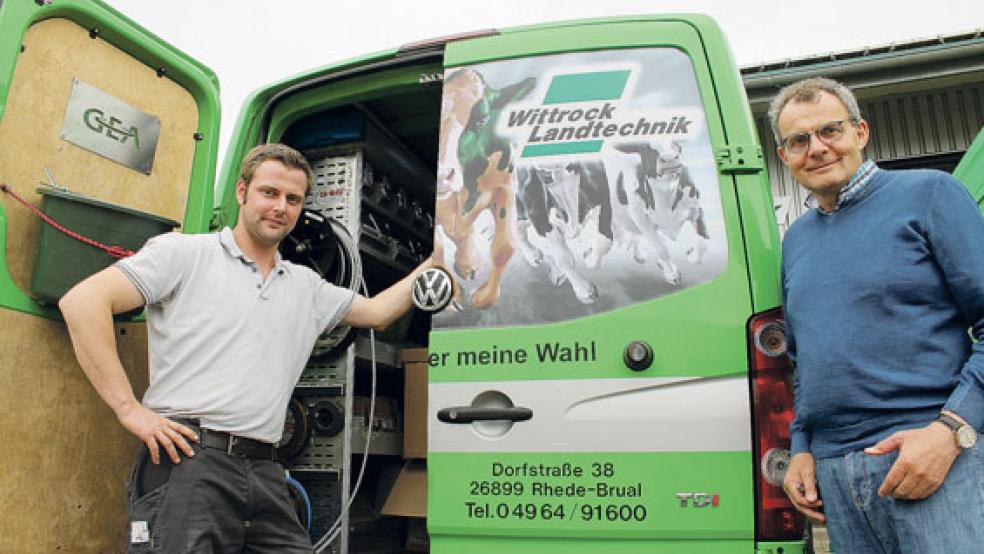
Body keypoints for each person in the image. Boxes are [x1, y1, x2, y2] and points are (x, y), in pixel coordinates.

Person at [59, 143, 431, 552]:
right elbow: (83, 302)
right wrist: (129, 410)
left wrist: (443, 258)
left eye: (293, 199)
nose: (280, 207)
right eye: (269, 193)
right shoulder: (184, 254)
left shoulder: (305, 286)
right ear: (242, 193)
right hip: (190, 460)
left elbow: (378, 312)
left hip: (265, 468)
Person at [771, 77, 984, 553]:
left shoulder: (931, 195)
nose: (818, 148)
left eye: (831, 130)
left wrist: (951, 431)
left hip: (932, 464)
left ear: (860, 132)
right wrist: (802, 446)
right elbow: (805, 360)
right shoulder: (796, 241)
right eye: (799, 140)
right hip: (837, 482)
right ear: (785, 156)